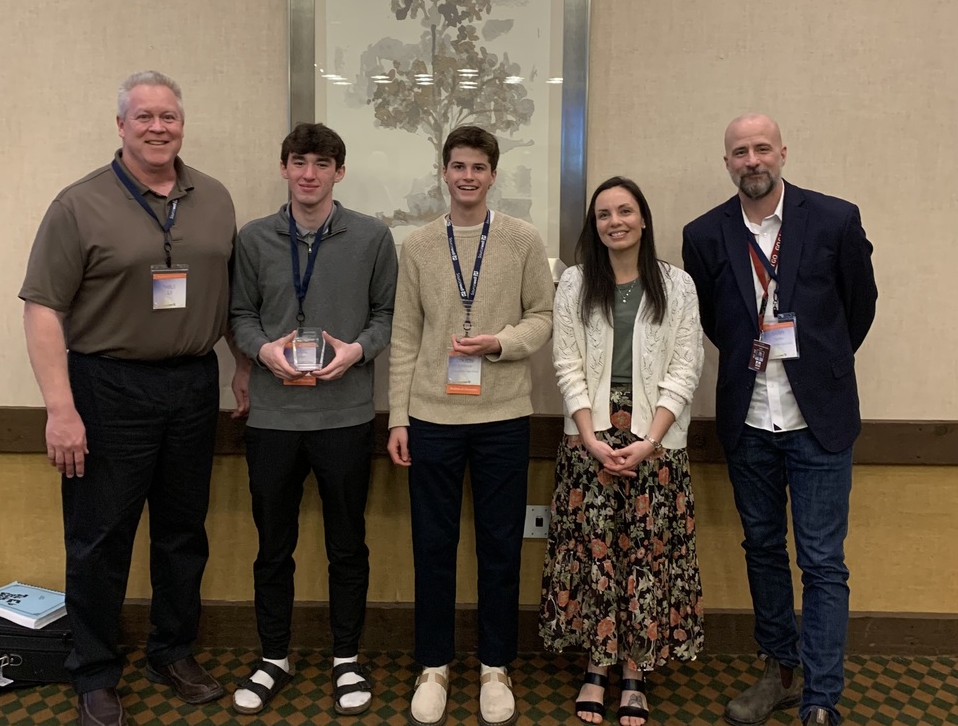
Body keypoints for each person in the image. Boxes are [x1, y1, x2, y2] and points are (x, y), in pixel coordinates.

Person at [19, 70, 250, 726]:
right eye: (144, 116)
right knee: (100, 536)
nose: (158, 127)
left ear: (183, 124)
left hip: (191, 383)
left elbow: (223, 290)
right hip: (106, 385)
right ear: (120, 125)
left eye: (169, 116)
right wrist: (60, 408)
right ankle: (94, 670)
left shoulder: (215, 198)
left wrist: (240, 367)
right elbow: (41, 309)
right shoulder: (78, 204)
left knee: (183, 531)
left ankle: (172, 651)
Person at [682, 113, 877, 726]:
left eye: (762, 148)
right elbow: (716, 322)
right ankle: (780, 672)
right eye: (739, 152)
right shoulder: (705, 234)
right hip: (749, 423)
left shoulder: (834, 220)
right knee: (762, 550)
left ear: (784, 153)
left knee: (822, 561)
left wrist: (818, 368)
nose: (752, 160)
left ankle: (821, 697)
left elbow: (859, 308)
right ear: (727, 163)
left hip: (818, 422)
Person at [228, 122, 397, 717]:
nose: (309, 174)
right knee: (273, 546)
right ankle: (274, 654)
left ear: (339, 173)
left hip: (344, 415)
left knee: (347, 545)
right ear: (284, 168)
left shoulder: (373, 237)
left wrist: (356, 351)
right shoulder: (253, 239)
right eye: (298, 162)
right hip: (273, 417)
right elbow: (240, 314)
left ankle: (346, 657)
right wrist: (260, 350)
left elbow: (386, 316)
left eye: (321, 164)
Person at [387, 125, 554, 726]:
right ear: (443, 172)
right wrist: (399, 417)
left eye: (478, 167)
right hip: (432, 416)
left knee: (500, 546)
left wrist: (502, 343)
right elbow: (405, 335)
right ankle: (434, 665)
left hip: (504, 417)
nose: (466, 176)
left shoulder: (522, 239)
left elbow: (543, 315)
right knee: (433, 546)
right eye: (457, 166)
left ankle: (494, 666)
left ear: (492, 174)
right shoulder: (419, 245)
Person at [540, 177, 705, 726]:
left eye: (625, 211)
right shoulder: (576, 283)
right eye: (604, 214)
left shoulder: (677, 284)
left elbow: (686, 366)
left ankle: (634, 670)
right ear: (595, 225)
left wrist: (650, 439)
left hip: (656, 438)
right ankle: (596, 665)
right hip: (587, 434)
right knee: (594, 554)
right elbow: (565, 361)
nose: (615, 221)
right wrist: (589, 436)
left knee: (646, 557)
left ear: (643, 218)